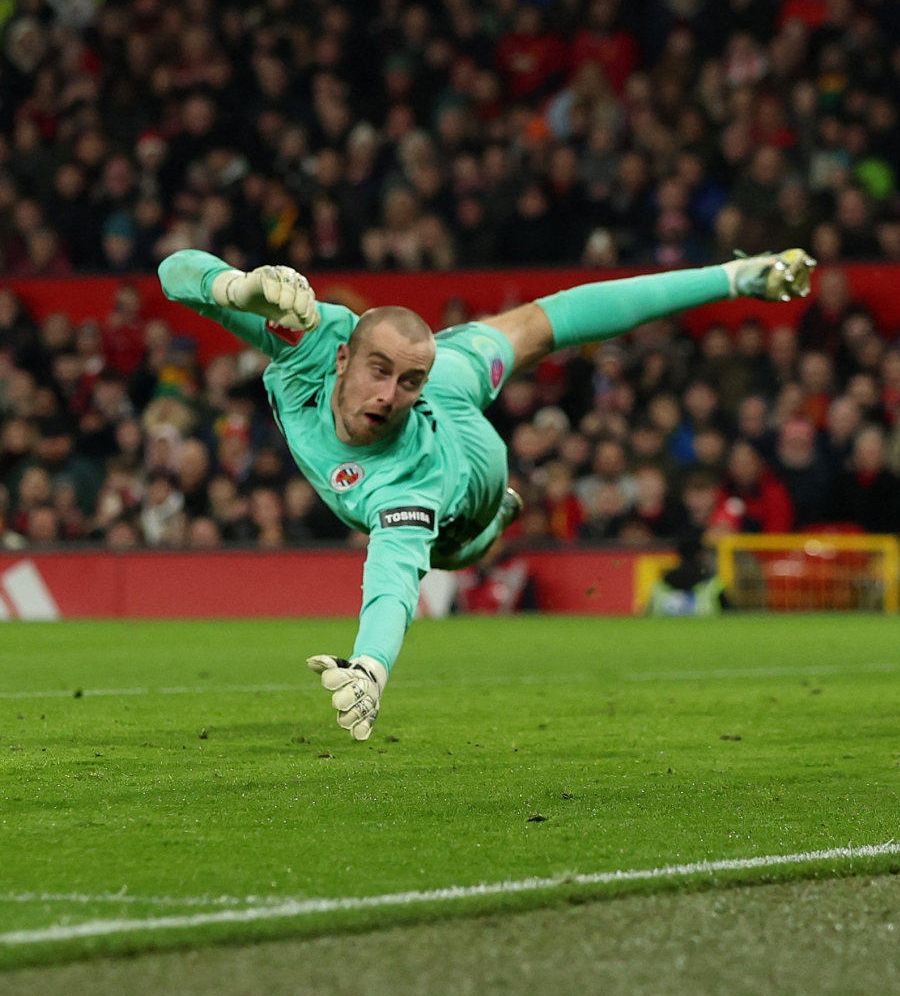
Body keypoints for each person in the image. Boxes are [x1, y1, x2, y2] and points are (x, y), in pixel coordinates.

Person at [159, 246, 815, 740]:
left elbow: (391, 583)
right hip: (448, 366)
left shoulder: (407, 476)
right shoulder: (310, 339)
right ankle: (742, 275)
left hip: (469, 465)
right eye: (378, 372)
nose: (388, 396)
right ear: (343, 359)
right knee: (528, 326)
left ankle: (493, 517)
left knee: (453, 550)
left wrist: (371, 667)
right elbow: (175, 275)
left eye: (404, 382)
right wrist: (238, 284)